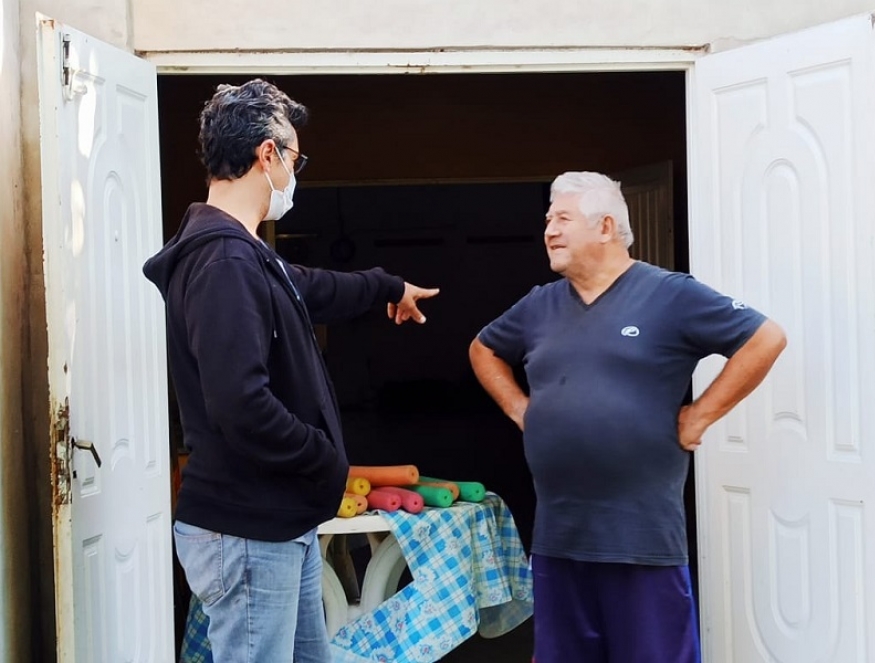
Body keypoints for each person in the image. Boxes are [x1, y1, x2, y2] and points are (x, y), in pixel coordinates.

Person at [143, 79, 438, 663]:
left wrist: (386, 286)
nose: (295, 174)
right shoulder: (225, 261)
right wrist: (326, 458)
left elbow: (312, 287)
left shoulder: (244, 253)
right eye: (296, 158)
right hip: (248, 526)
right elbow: (240, 405)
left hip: (277, 520)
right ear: (268, 155)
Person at [469, 171, 785, 663]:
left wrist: (700, 415)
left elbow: (765, 338)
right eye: (548, 219)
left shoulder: (671, 294)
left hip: (641, 542)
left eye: (563, 219)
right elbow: (484, 348)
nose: (549, 230)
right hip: (559, 537)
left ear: (605, 227)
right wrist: (519, 408)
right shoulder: (539, 304)